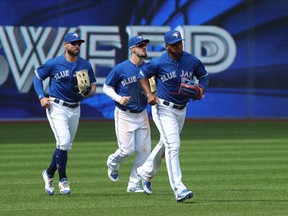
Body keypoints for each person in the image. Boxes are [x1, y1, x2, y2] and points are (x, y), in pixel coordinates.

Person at [137, 30, 209, 202]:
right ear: (167, 46)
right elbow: (141, 76)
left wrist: (201, 89)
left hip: (181, 109)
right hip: (163, 108)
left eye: (180, 43)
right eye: (174, 44)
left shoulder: (191, 60)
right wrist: (149, 94)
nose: (178, 46)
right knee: (173, 146)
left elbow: (204, 77)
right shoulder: (159, 62)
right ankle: (179, 188)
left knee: (165, 144)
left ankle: (145, 172)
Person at [33, 32, 97, 195]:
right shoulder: (54, 63)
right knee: (64, 142)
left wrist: (88, 91)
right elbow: (37, 77)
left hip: (75, 107)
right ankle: (63, 179)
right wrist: (41, 96)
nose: (76, 46)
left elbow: (93, 88)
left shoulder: (85, 65)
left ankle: (48, 173)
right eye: (73, 43)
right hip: (57, 107)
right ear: (65, 45)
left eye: (79, 43)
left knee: (65, 146)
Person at [103, 35, 151, 193]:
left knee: (144, 151)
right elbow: (106, 87)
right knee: (126, 151)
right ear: (132, 49)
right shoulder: (121, 68)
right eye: (140, 45)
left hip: (142, 113)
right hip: (124, 114)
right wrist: (118, 97)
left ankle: (133, 185)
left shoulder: (148, 68)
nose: (144, 47)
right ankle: (112, 162)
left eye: (145, 45)